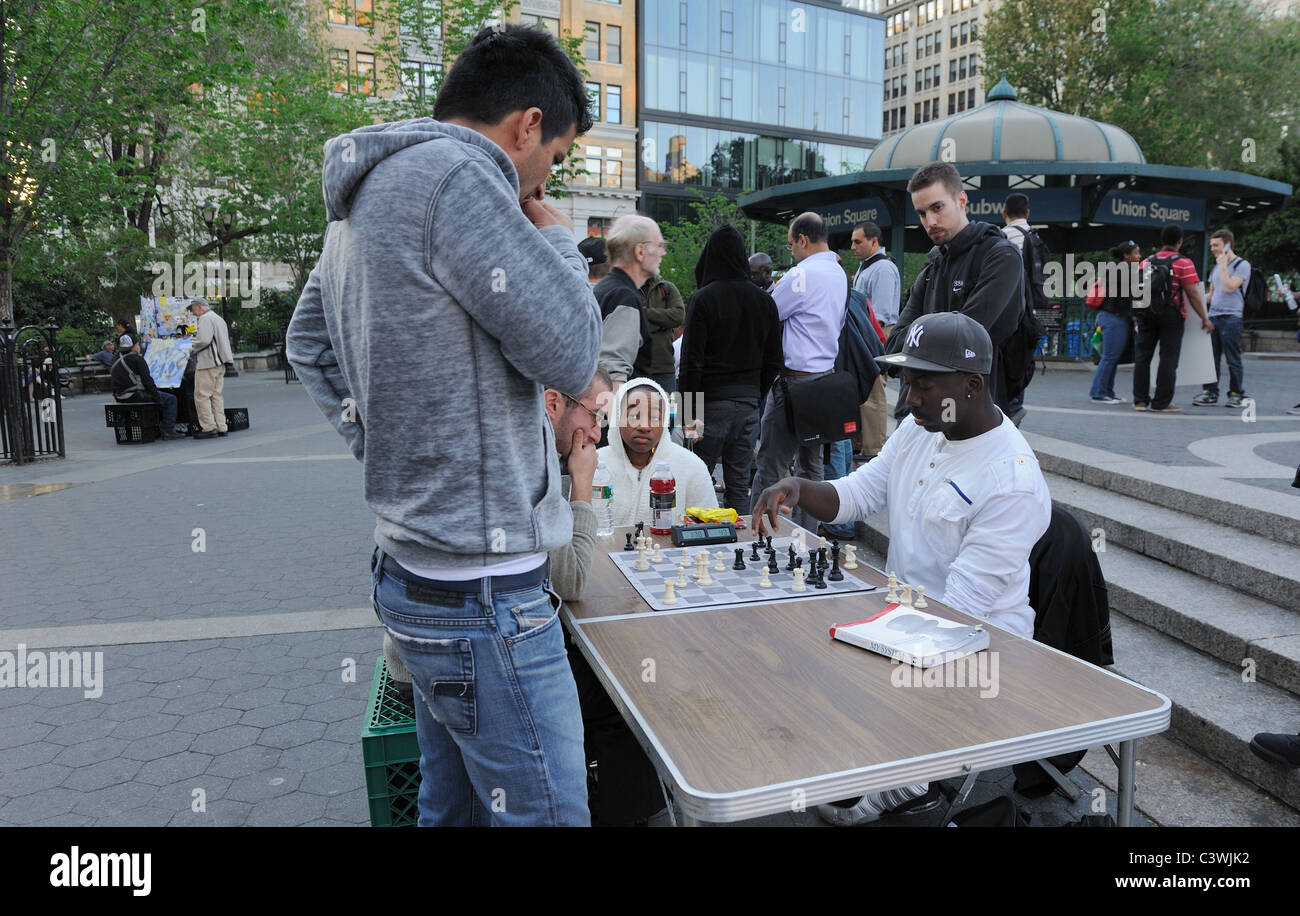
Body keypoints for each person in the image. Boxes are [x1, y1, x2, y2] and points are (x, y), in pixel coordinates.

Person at [286, 23, 601, 827]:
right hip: (483, 594)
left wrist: (385, 447)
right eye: (555, 157)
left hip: (413, 576)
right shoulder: (461, 179)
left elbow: (308, 345)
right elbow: (571, 351)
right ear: (526, 125)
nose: (542, 178)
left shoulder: (367, 193)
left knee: (451, 810)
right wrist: (560, 238)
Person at [751, 311, 1051, 826]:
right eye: (906, 381)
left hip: (974, 651)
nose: (908, 399)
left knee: (811, 662)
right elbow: (859, 493)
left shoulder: (1011, 481)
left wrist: (860, 642)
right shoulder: (921, 429)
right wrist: (798, 487)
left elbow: (957, 614)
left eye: (923, 385)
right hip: (906, 622)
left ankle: (909, 780)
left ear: (972, 386)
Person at [886, 163, 1024, 421]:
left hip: (974, 420)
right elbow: (894, 345)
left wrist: (921, 342)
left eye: (937, 208)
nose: (931, 221)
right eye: (922, 213)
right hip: (917, 417)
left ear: (961, 200)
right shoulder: (932, 269)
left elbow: (962, 345)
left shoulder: (1001, 256)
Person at [678, 225, 783, 514]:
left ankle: (696, 548)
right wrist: (753, 394)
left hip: (709, 407)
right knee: (739, 486)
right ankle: (740, 549)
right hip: (748, 407)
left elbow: (690, 363)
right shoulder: (765, 301)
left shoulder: (703, 299)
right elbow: (774, 360)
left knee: (697, 482)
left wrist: (689, 415)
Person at [752, 212, 847, 532]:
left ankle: (762, 534)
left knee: (771, 464)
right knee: (812, 466)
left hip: (795, 382)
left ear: (803, 240)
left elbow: (767, 314)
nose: (791, 249)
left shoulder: (801, 274)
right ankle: (808, 538)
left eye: (791, 243)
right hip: (826, 379)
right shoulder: (838, 273)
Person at [597, 378, 717, 527]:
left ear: (665, 422)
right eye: (634, 416)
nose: (644, 427)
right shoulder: (595, 464)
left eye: (654, 417)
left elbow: (710, 529)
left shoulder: (692, 467)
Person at [1132, 224, 1212, 413]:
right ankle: (1161, 403)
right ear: (1180, 241)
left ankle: (1140, 401)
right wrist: (1204, 318)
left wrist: (1136, 315)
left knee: (1142, 356)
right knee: (1168, 358)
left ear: (1162, 241)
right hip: (1172, 315)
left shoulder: (1146, 262)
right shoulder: (1183, 263)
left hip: (1146, 314)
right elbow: (1192, 293)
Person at [848, 221, 898, 462]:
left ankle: (874, 451)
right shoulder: (867, 267)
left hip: (875, 333)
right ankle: (862, 446)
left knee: (874, 394)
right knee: (863, 392)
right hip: (866, 332)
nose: (853, 247)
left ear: (874, 241)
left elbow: (881, 312)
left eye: (858, 241)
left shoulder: (883, 269)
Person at [595, 215, 662, 388]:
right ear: (640, 252)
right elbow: (613, 371)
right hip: (617, 407)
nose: (663, 252)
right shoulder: (624, 296)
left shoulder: (606, 288)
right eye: (659, 245)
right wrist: (615, 414)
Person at [1193, 229, 1251, 408]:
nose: (1212, 249)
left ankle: (1236, 394)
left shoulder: (1241, 265)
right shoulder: (1216, 267)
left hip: (1231, 317)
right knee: (1211, 358)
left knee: (1233, 358)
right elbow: (1212, 294)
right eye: (1211, 245)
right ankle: (1210, 392)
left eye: (1215, 245)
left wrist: (1225, 265)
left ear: (1227, 244)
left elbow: (1229, 287)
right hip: (1214, 316)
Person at [1086, 240, 1141, 404]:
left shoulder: (1117, 269)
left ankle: (1107, 391)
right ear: (1126, 255)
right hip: (1113, 317)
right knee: (1109, 356)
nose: (1139, 256)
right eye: (1136, 253)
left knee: (1112, 356)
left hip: (1113, 316)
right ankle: (1098, 393)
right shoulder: (1122, 271)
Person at [110, 335, 185, 440]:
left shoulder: (116, 360)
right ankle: (168, 430)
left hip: (120, 396)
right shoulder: (137, 359)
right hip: (134, 395)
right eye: (137, 344)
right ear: (134, 347)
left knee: (158, 396)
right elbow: (147, 381)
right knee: (170, 399)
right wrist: (157, 396)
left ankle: (159, 428)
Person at [186, 298, 233, 438]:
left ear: (200, 307)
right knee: (216, 395)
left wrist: (188, 349)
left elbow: (204, 340)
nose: (194, 313)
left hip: (208, 362)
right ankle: (221, 426)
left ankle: (208, 427)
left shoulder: (205, 319)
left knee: (202, 396)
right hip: (220, 362)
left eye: (194, 309)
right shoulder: (218, 318)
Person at [640, 272, 685, 395]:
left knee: (669, 412)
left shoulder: (667, 288)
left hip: (663, 367)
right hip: (634, 368)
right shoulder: (627, 288)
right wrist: (662, 323)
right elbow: (627, 320)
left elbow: (678, 316)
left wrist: (645, 314)